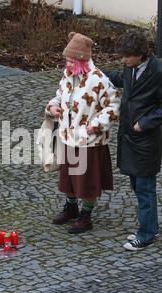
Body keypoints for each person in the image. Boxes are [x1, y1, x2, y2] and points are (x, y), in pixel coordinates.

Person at [103, 30, 162, 251]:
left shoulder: (159, 71)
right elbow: (122, 79)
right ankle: (151, 226)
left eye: (127, 56)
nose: (124, 60)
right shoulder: (131, 67)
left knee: (145, 186)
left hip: (145, 139)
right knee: (137, 184)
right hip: (129, 136)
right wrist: (99, 73)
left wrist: (145, 122)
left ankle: (145, 235)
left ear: (140, 54)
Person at [46, 32, 120, 234]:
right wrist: (53, 107)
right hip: (68, 137)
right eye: (67, 61)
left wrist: (96, 124)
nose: (67, 65)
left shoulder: (98, 80)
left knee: (86, 181)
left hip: (89, 140)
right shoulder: (68, 76)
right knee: (69, 176)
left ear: (81, 60)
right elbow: (59, 96)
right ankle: (71, 208)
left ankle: (86, 216)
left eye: (71, 61)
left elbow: (114, 105)